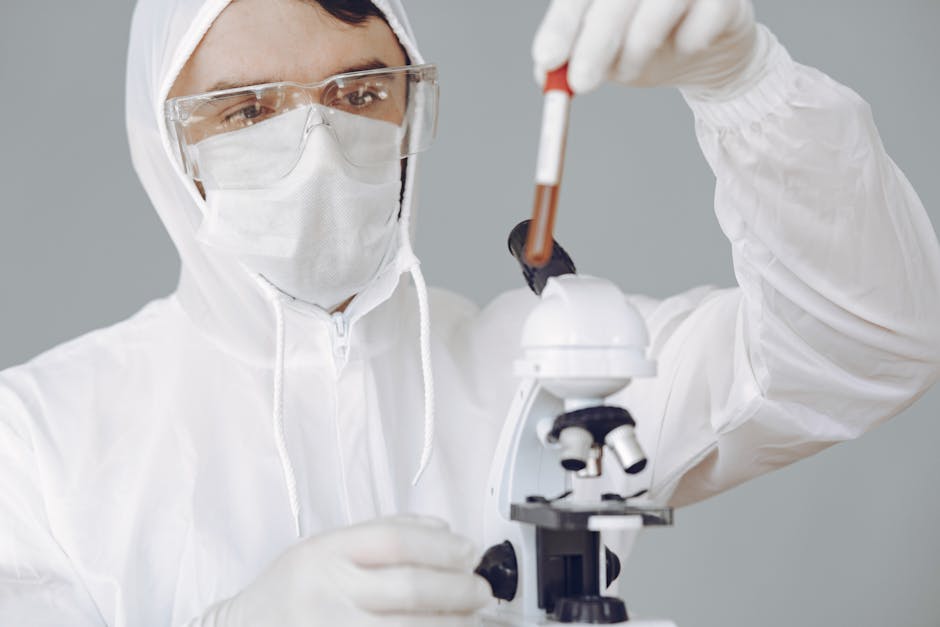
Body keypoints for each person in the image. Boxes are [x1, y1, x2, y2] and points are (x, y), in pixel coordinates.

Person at [1, 0, 938, 625]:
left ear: (412, 113)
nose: (317, 145)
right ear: (164, 146)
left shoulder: (547, 374)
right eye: (247, 111)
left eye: (361, 94)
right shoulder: (38, 444)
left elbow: (867, 343)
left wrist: (747, 87)